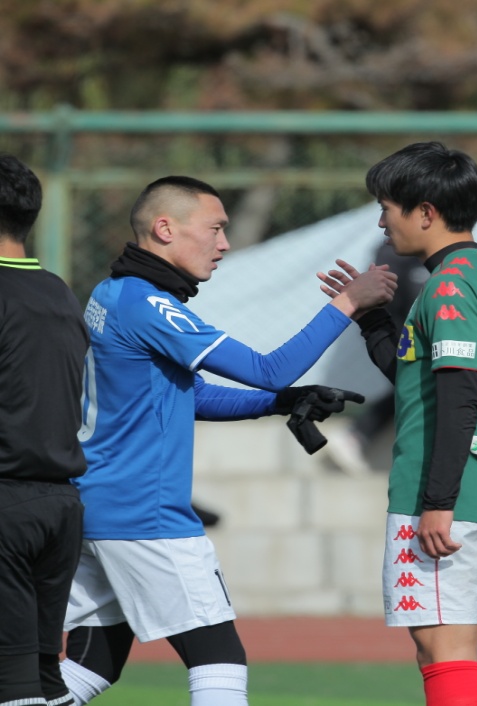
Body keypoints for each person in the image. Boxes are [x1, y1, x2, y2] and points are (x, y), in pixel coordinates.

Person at [58, 176, 395, 705]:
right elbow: (268, 368)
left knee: (92, 665)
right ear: (165, 229)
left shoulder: (113, 291)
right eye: (214, 228)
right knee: (219, 660)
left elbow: (189, 397)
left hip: (98, 506)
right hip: (144, 513)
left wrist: (280, 402)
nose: (224, 244)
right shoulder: (147, 303)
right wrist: (349, 302)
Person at [319, 142, 477, 706]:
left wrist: (438, 502)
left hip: (450, 497)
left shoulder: (448, 287)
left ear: (425, 212)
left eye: (387, 208)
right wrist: (371, 319)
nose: (382, 222)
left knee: (442, 652)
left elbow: (458, 399)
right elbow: (417, 381)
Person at [0, 155, 89, 706]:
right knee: (45, 679)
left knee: (12, 684)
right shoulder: (58, 292)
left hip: (7, 505)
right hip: (59, 507)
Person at [324, 240, 431, 475]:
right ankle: (356, 434)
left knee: (417, 387)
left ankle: (356, 434)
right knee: (414, 384)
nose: (384, 223)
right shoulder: (398, 250)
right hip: (402, 333)